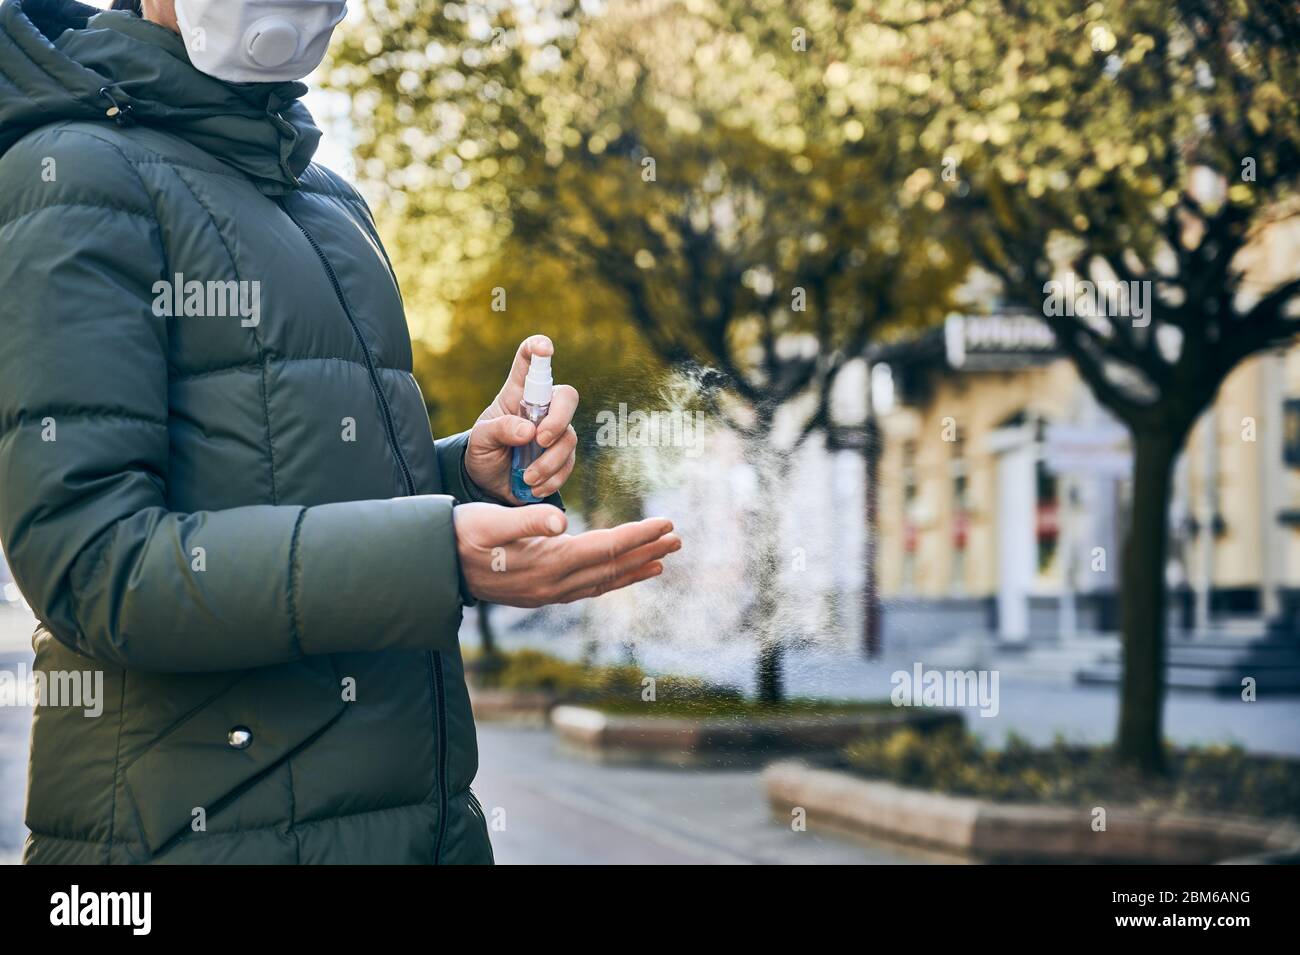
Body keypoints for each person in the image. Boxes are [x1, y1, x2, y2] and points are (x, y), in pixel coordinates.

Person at [0, 0, 680, 864]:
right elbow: (94, 563)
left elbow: (316, 500)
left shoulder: (328, 200)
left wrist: (461, 479)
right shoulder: (70, 173)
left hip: (418, 828)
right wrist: (435, 552)